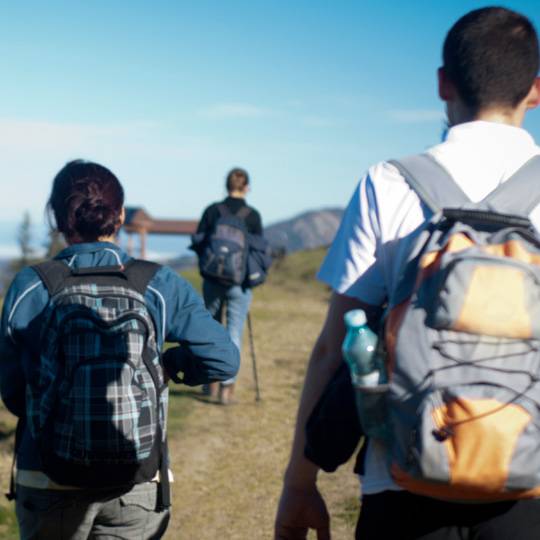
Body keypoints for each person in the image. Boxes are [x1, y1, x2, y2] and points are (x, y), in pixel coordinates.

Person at [275, 6, 540, 540]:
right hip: (527, 480)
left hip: (400, 478)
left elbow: (337, 345)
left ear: (443, 84)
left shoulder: (390, 182)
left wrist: (300, 483)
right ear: (535, 90)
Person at [0, 160, 239, 539]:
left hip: (47, 477)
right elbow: (223, 359)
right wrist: (171, 364)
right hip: (137, 479)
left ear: (59, 219)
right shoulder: (159, 284)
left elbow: (12, 393)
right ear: (121, 215)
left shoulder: (31, 285)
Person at [195, 167, 264, 405]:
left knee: (211, 329)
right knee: (234, 331)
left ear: (226, 185)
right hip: (239, 282)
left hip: (213, 280)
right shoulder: (252, 216)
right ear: (246, 187)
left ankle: (210, 382)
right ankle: (227, 389)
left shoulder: (213, 211)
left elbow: (199, 242)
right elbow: (259, 250)